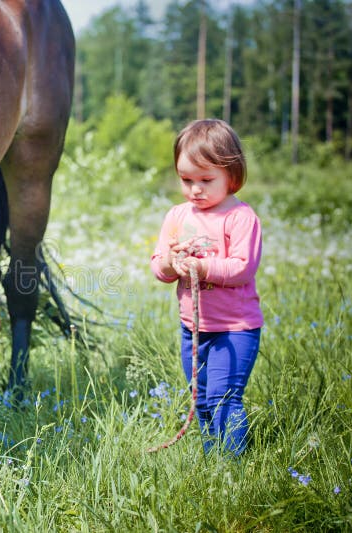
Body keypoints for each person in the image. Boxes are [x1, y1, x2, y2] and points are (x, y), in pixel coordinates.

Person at [150, 119, 263, 455]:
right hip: (193, 328)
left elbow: (242, 267)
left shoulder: (240, 218)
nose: (194, 189)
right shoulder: (177, 216)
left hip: (234, 329)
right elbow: (159, 264)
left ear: (232, 175)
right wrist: (173, 263)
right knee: (200, 400)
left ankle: (232, 467)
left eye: (205, 180)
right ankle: (211, 458)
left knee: (223, 398)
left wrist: (200, 266)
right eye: (186, 180)